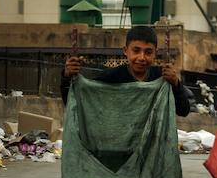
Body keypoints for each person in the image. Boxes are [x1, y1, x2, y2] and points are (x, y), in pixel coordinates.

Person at [61, 25, 193, 117]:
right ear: (125, 51)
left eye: (148, 52)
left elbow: (183, 111)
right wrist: (67, 76)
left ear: (155, 53)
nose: (141, 58)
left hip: (153, 146)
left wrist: (175, 83)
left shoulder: (162, 78)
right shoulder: (111, 77)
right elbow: (74, 103)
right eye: (136, 51)